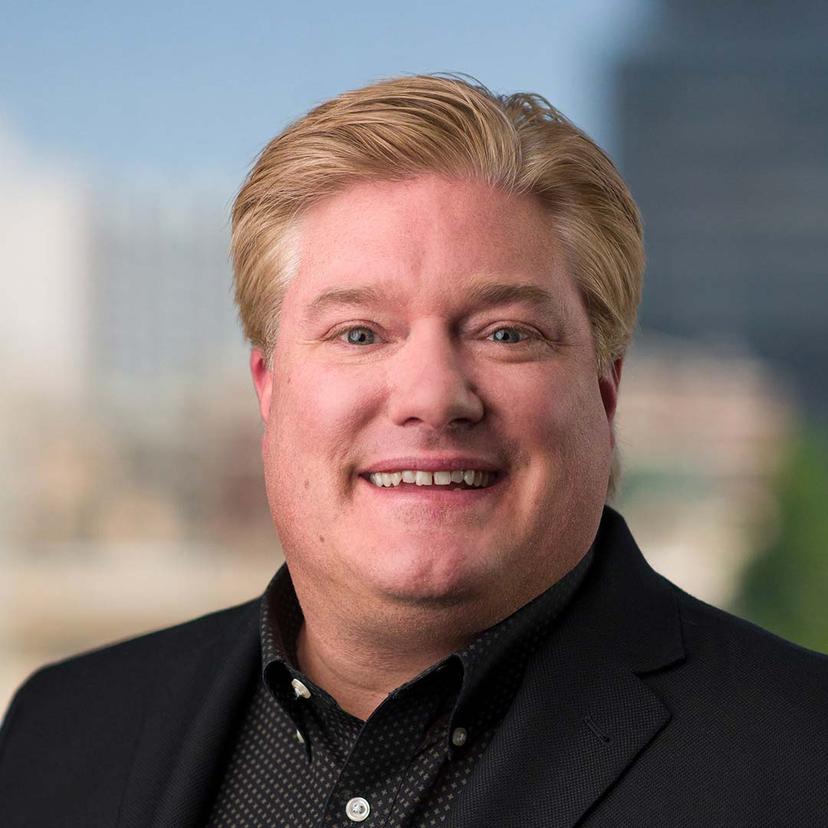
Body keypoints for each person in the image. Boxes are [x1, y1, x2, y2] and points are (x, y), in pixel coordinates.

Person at [0, 74, 825, 828]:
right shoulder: (60, 731)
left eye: (506, 332)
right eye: (359, 333)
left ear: (606, 390)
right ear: (269, 386)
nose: (432, 396)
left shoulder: (804, 757)